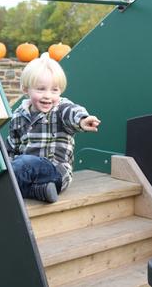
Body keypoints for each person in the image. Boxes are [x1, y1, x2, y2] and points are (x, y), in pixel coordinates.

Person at [6, 52, 100, 203]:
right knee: (17, 166)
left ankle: (7, 186)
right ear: (25, 89)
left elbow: (72, 112)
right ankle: (41, 192)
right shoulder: (18, 116)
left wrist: (82, 120)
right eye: (41, 89)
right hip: (29, 176)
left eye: (54, 90)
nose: (48, 96)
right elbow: (12, 146)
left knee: (24, 164)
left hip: (55, 171)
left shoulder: (60, 108)